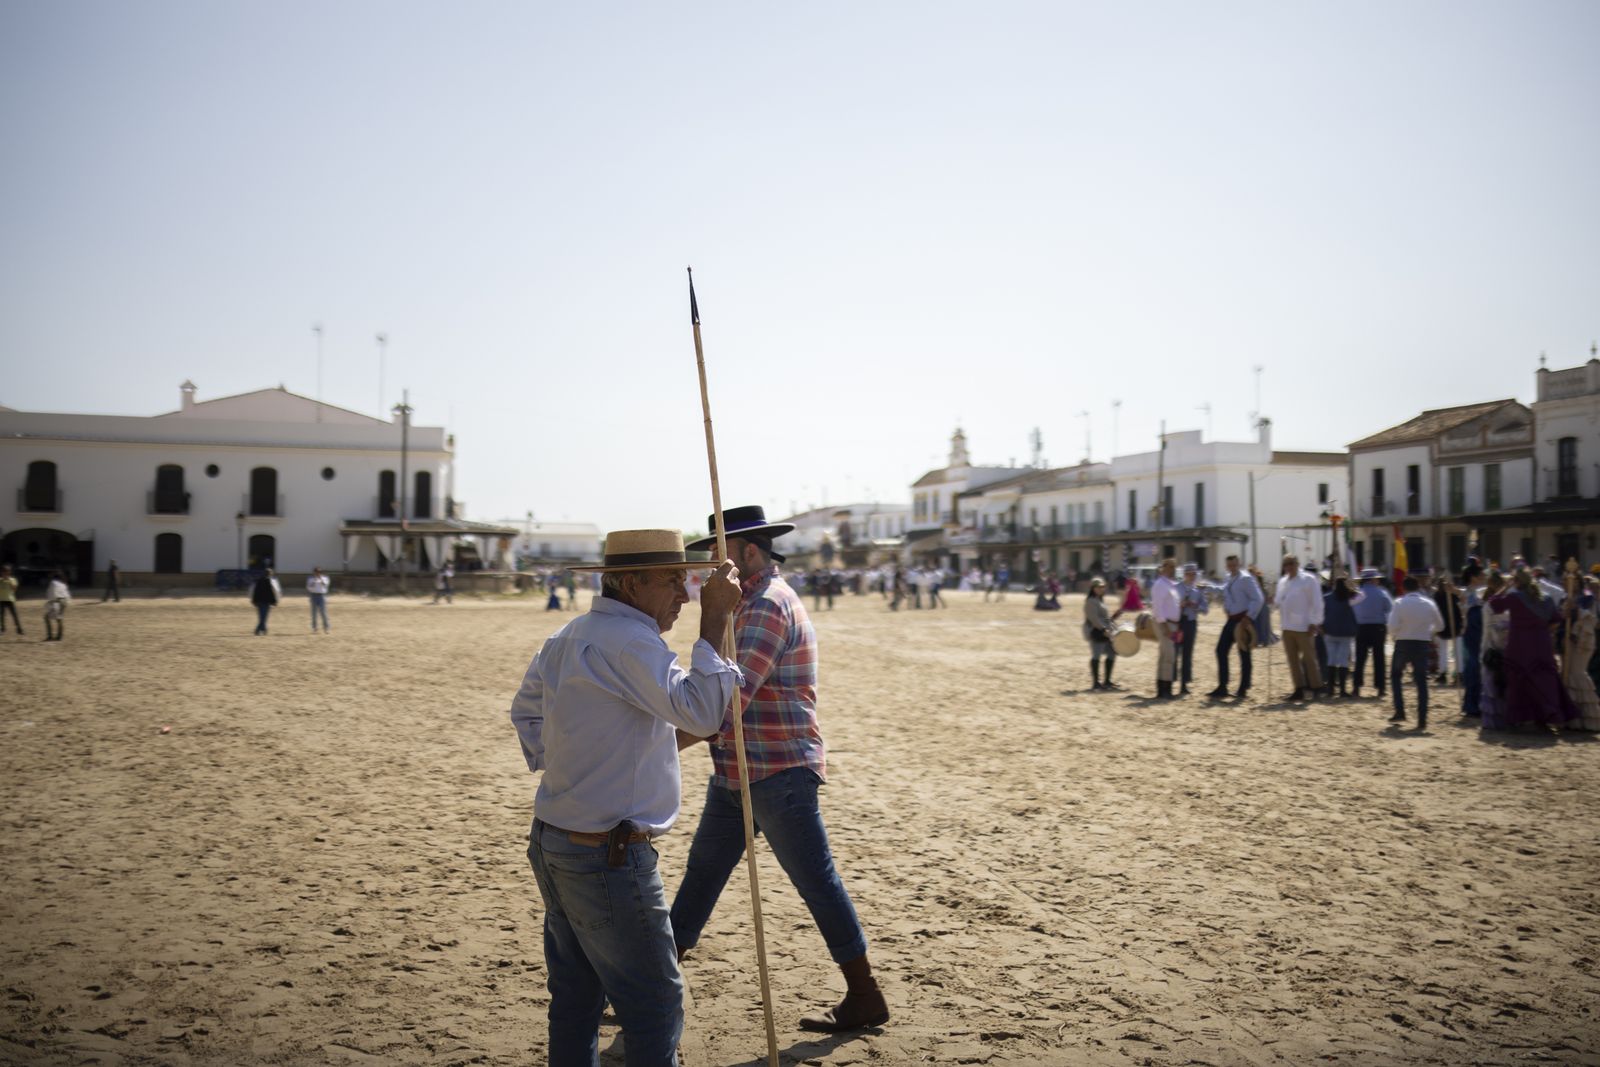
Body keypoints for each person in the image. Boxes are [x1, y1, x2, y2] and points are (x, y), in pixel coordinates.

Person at [508, 529, 742, 1065]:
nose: (685, 594)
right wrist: (714, 621)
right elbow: (705, 713)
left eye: (687, 581)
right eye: (673, 581)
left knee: (576, 998)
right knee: (657, 1003)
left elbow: (527, 716)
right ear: (633, 584)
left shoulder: (569, 634)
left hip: (555, 839)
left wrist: (586, 758)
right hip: (605, 851)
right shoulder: (632, 643)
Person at [675, 506, 889, 1033]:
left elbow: (728, 703)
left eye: (718, 553)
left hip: (777, 770)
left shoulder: (768, 606)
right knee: (702, 876)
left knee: (815, 881)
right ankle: (649, 982)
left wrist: (652, 748)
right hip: (738, 770)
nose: (709, 565)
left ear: (748, 552)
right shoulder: (744, 603)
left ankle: (864, 994)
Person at [1489, 568, 1577, 729]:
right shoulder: (1547, 599)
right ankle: (1544, 717)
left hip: (1519, 645)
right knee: (1544, 680)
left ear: (1517, 582)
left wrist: (1505, 587)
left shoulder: (1514, 597)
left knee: (1519, 682)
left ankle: (1520, 719)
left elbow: (1494, 603)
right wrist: (1543, 631)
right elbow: (1556, 621)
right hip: (1542, 644)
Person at [1388, 575, 1443, 729]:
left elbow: (1391, 627)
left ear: (1404, 588)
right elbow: (1440, 625)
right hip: (1422, 643)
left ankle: (1400, 711)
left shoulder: (1399, 603)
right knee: (1421, 681)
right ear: (1418, 587)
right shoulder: (1428, 603)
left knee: (1395, 676)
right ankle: (1422, 719)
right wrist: (1428, 632)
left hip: (1403, 642)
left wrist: (1400, 631)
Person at [1209, 555, 1264, 700]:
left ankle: (1243, 688)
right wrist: (1209, 587)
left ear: (1238, 564)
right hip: (1231, 620)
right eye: (1229, 565)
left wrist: (1249, 617)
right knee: (1221, 650)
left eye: (1234, 565)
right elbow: (1224, 590)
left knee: (1244, 653)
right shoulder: (1228, 577)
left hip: (1243, 621)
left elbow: (1258, 598)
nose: (1232, 567)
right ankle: (1222, 686)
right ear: (1227, 566)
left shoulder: (1246, 579)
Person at [1275, 555, 1324, 702]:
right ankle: (1299, 688)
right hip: (1287, 625)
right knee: (1292, 660)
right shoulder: (1283, 582)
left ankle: (1316, 687)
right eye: (1286, 564)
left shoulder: (1308, 579)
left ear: (1297, 564)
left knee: (1309, 658)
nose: (1289, 567)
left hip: (1304, 626)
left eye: (1291, 564)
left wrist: (1315, 622)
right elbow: (1278, 600)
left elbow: (1317, 602)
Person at [1351, 568, 1393, 698]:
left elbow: (1352, 608)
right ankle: (1380, 688)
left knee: (1360, 659)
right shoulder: (1382, 592)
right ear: (1373, 579)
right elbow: (1389, 608)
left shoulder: (1357, 593)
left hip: (1361, 628)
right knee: (1379, 659)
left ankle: (1356, 687)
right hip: (1378, 628)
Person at [1478, 571, 1512, 730]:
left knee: (1492, 683)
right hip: (1496, 645)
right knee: (1498, 682)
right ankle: (1499, 718)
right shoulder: (1492, 605)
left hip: (1492, 645)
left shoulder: (1489, 604)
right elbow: (1493, 628)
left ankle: (1494, 718)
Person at [1321, 576, 1362, 698]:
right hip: (1345, 633)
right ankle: (1342, 690)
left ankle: (1330, 689)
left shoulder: (1326, 598)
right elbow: (1362, 595)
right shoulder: (1349, 598)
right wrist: (1352, 585)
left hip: (1330, 631)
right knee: (1344, 660)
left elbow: (1322, 613)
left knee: (1331, 660)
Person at [1150, 558, 1182, 699]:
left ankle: (1163, 688)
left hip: (1172, 624)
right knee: (1168, 656)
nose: (1172, 569)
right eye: (1170, 567)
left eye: (1174, 567)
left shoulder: (1170, 584)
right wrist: (1164, 627)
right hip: (1165, 624)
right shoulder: (1160, 585)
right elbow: (1157, 608)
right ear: (1163, 567)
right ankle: (1164, 689)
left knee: (1165, 656)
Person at [1177, 563, 1208, 696]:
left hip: (1190, 623)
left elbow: (1205, 609)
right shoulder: (1176, 588)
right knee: (1175, 651)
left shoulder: (1198, 590)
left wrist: (1195, 607)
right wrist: (1180, 604)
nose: (1192, 576)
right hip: (1177, 624)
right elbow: (1169, 604)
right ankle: (1170, 680)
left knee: (1187, 653)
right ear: (1184, 574)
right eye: (1189, 573)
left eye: (1194, 574)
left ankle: (1184, 683)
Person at [1083, 577, 1120, 689]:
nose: (1101, 589)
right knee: (1096, 655)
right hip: (1096, 632)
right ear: (1093, 588)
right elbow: (1094, 619)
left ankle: (1107, 681)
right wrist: (1103, 630)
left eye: (1103, 587)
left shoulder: (1100, 600)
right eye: (1099, 587)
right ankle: (1096, 683)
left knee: (1112, 653)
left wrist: (1113, 617)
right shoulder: (1090, 601)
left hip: (1106, 631)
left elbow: (1104, 618)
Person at [1460, 564, 1486, 717]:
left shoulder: (1480, 591)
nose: (1483, 578)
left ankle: (1474, 703)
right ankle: (1471, 704)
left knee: (1478, 668)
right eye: (1480, 575)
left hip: (1479, 632)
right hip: (1471, 633)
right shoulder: (1471, 592)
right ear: (1473, 577)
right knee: (1473, 668)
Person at [1433, 575, 1464, 685]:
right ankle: (1443, 673)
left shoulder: (1454, 594)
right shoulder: (1437, 596)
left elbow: (1462, 602)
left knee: (1457, 651)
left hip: (1455, 624)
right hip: (1444, 625)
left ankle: (1459, 674)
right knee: (1444, 651)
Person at [251, 568, 281, 635]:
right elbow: (272, 592)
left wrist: (253, 600)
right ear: (270, 574)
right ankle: (259, 629)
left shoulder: (258, 581)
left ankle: (263, 629)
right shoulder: (270, 581)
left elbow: (255, 591)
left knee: (261, 616)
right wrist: (274, 601)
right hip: (266, 601)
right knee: (264, 616)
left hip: (258, 601)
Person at [43, 570, 71, 641]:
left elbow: (52, 594)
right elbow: (67, 595)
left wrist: (51, 602)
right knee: (59, 618)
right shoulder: (63, 584)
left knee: (46, 617)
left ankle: (50, 636)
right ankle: (59, 636)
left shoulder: (53, 583)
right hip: (64, 601)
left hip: (57, 601)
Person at [306, 567, 331, 633]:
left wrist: (321, 579)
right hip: (313, 595)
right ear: (314, 572)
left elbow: (326, 585)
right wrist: (314, 582)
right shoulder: (310, 579)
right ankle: (314, 628)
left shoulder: (325, 578)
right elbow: (308, 587)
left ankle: (326, 628)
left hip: (321, 596)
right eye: (316, 572)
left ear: (321, 572)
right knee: (314, 613)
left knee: (323, 612)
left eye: (319, 572)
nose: (317, 573)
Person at [0, 564, 22, 636]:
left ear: (9, 572)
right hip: (1, 599)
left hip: (10, 599)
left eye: (7, 572)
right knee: (1, 616)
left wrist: (9, 581)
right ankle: (2, 629)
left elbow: (14, 589)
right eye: (4, 572)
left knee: (14, 615)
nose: (5, 573)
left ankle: (19, 629)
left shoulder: (13, 580)